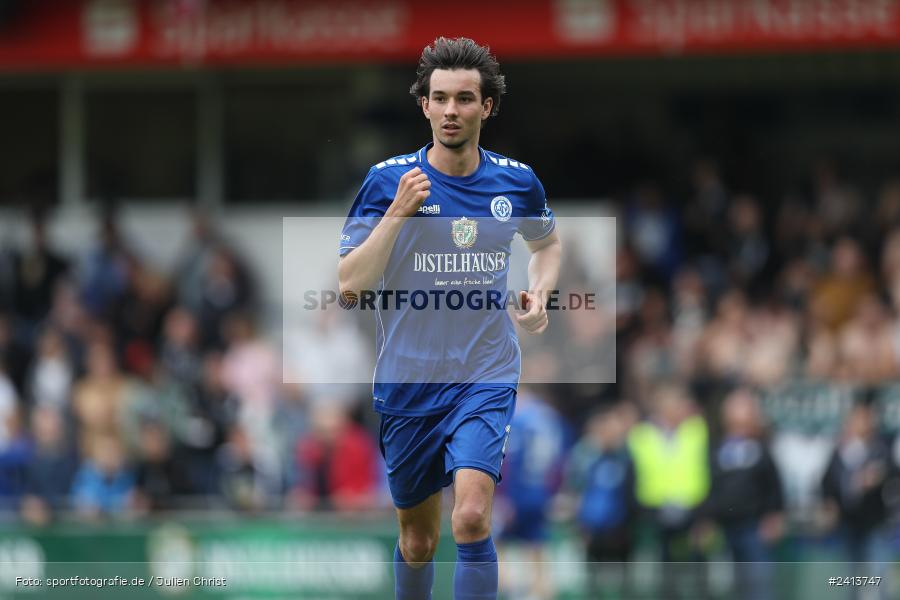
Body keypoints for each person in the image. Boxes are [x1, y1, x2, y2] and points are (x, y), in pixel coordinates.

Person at [338, 37, 561, 600]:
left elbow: (547, 245)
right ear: (424, 106)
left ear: (487, 106)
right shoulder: (388, 181)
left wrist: (540, 294)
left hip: (485, 373)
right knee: (418, 542)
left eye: (464, 99)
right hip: (409, 381)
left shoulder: (516, 181)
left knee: (471, 517)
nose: (451, 110)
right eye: (439, 98)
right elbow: (350, 284)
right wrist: (397, 214)